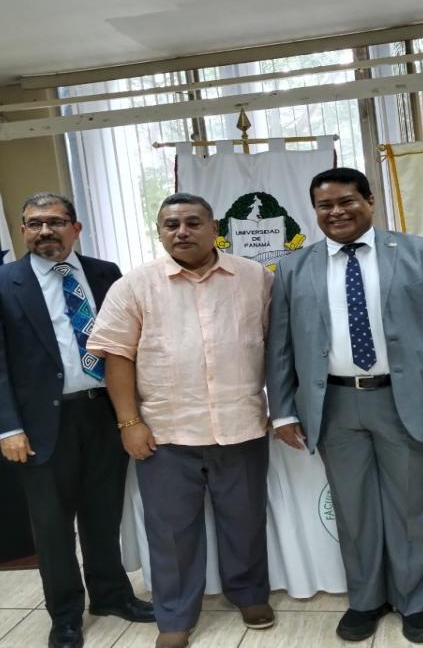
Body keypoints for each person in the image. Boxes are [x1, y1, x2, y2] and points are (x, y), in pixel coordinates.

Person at [266, 167, 423, 644]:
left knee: (413, 506)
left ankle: (414, 603)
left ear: (370, 201)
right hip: (333, 404)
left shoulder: (419, 253)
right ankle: (366, 600)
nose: (336, 212)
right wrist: (285, 410)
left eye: (347, 201)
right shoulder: (295, 266)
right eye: (325, 205)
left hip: (405, 402)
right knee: (353, 510)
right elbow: (281, 345)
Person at [87, 193, 275, 648]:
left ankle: (248, 593)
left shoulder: (255, 279)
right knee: (171, 533)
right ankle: (174, 615)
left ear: (215, 228)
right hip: (165, 432)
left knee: (244, 519)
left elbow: (277, 346)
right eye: (171, 225)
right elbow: (116, 356)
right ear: (160, 232)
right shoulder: (134, 286)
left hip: (241, 424)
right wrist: (129, 423)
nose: (182, 231)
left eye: (193, 222)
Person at [0, 192, 153, 648]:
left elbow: (125, 344)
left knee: (103, 513)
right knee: (52, 526)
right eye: (34, 224)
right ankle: (66, 615)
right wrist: (8, 428)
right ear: (22, 230)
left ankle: (111, 595)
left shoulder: (104, 273)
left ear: (76, 227)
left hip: (103, 411)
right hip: (39, 425)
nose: (44, 231)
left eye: (54, 222)